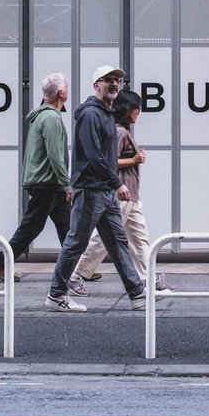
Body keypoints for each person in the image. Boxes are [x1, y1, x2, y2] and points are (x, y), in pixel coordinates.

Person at [45, 65, 148, 313]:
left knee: (117, 241)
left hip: (104, 191)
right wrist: (117, 183)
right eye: (107, 80)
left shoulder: (106, 114)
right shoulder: (91, 115)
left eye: (117, 81)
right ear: (96, 85)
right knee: (76, 243)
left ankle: (137, 293)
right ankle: (56, 294)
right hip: (91, 189)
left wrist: (112, 185)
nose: (114, 84)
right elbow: (94, 155)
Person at [68, 90, 175, 296]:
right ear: (128, 109)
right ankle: (76, 273)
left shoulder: (121, 130)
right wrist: (134, 160)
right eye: (137, 108)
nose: (139, 112)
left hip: (131, 195)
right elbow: (108, 162)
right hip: (122, 193)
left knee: (139, 238)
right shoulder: (119, 132)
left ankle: (148, 278)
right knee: (103, 239)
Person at [0, 73, 72, 283]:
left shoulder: (43, 116)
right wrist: (67, 182)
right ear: (61, 93)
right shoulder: (51, 118)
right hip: (48, 182)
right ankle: (0, 262)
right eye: (66, 89)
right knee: (33, 227)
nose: (67, 91)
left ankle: (75, 269)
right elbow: (55, 155)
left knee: (67, 227)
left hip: (48, 182)